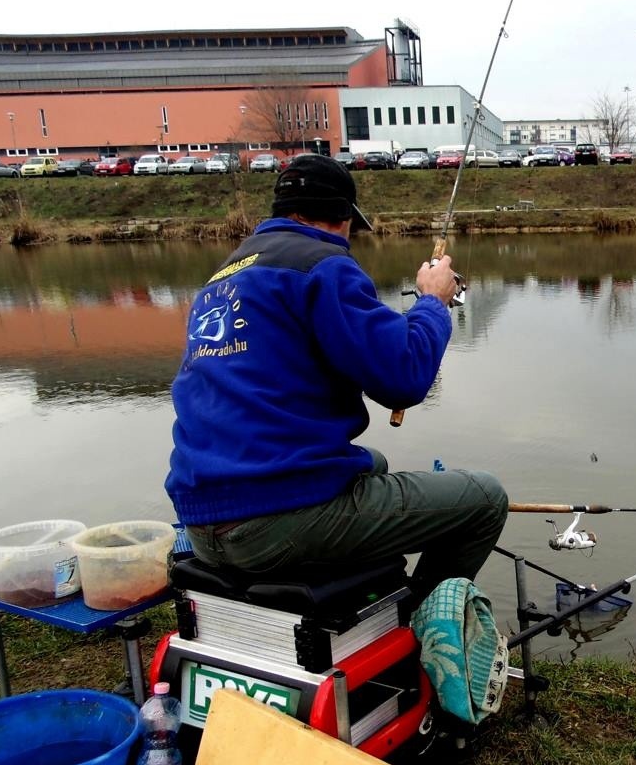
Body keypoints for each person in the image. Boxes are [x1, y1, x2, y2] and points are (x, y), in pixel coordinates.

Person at [165, 154, 508, 598]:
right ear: (343, 217)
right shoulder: (324, 265)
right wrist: (433, 300)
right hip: (270, 521)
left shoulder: (226, 275)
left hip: (201, 517)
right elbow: (404, 377)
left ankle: (369, 599)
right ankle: (425, 629)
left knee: (374, 465)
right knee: (484, 500)